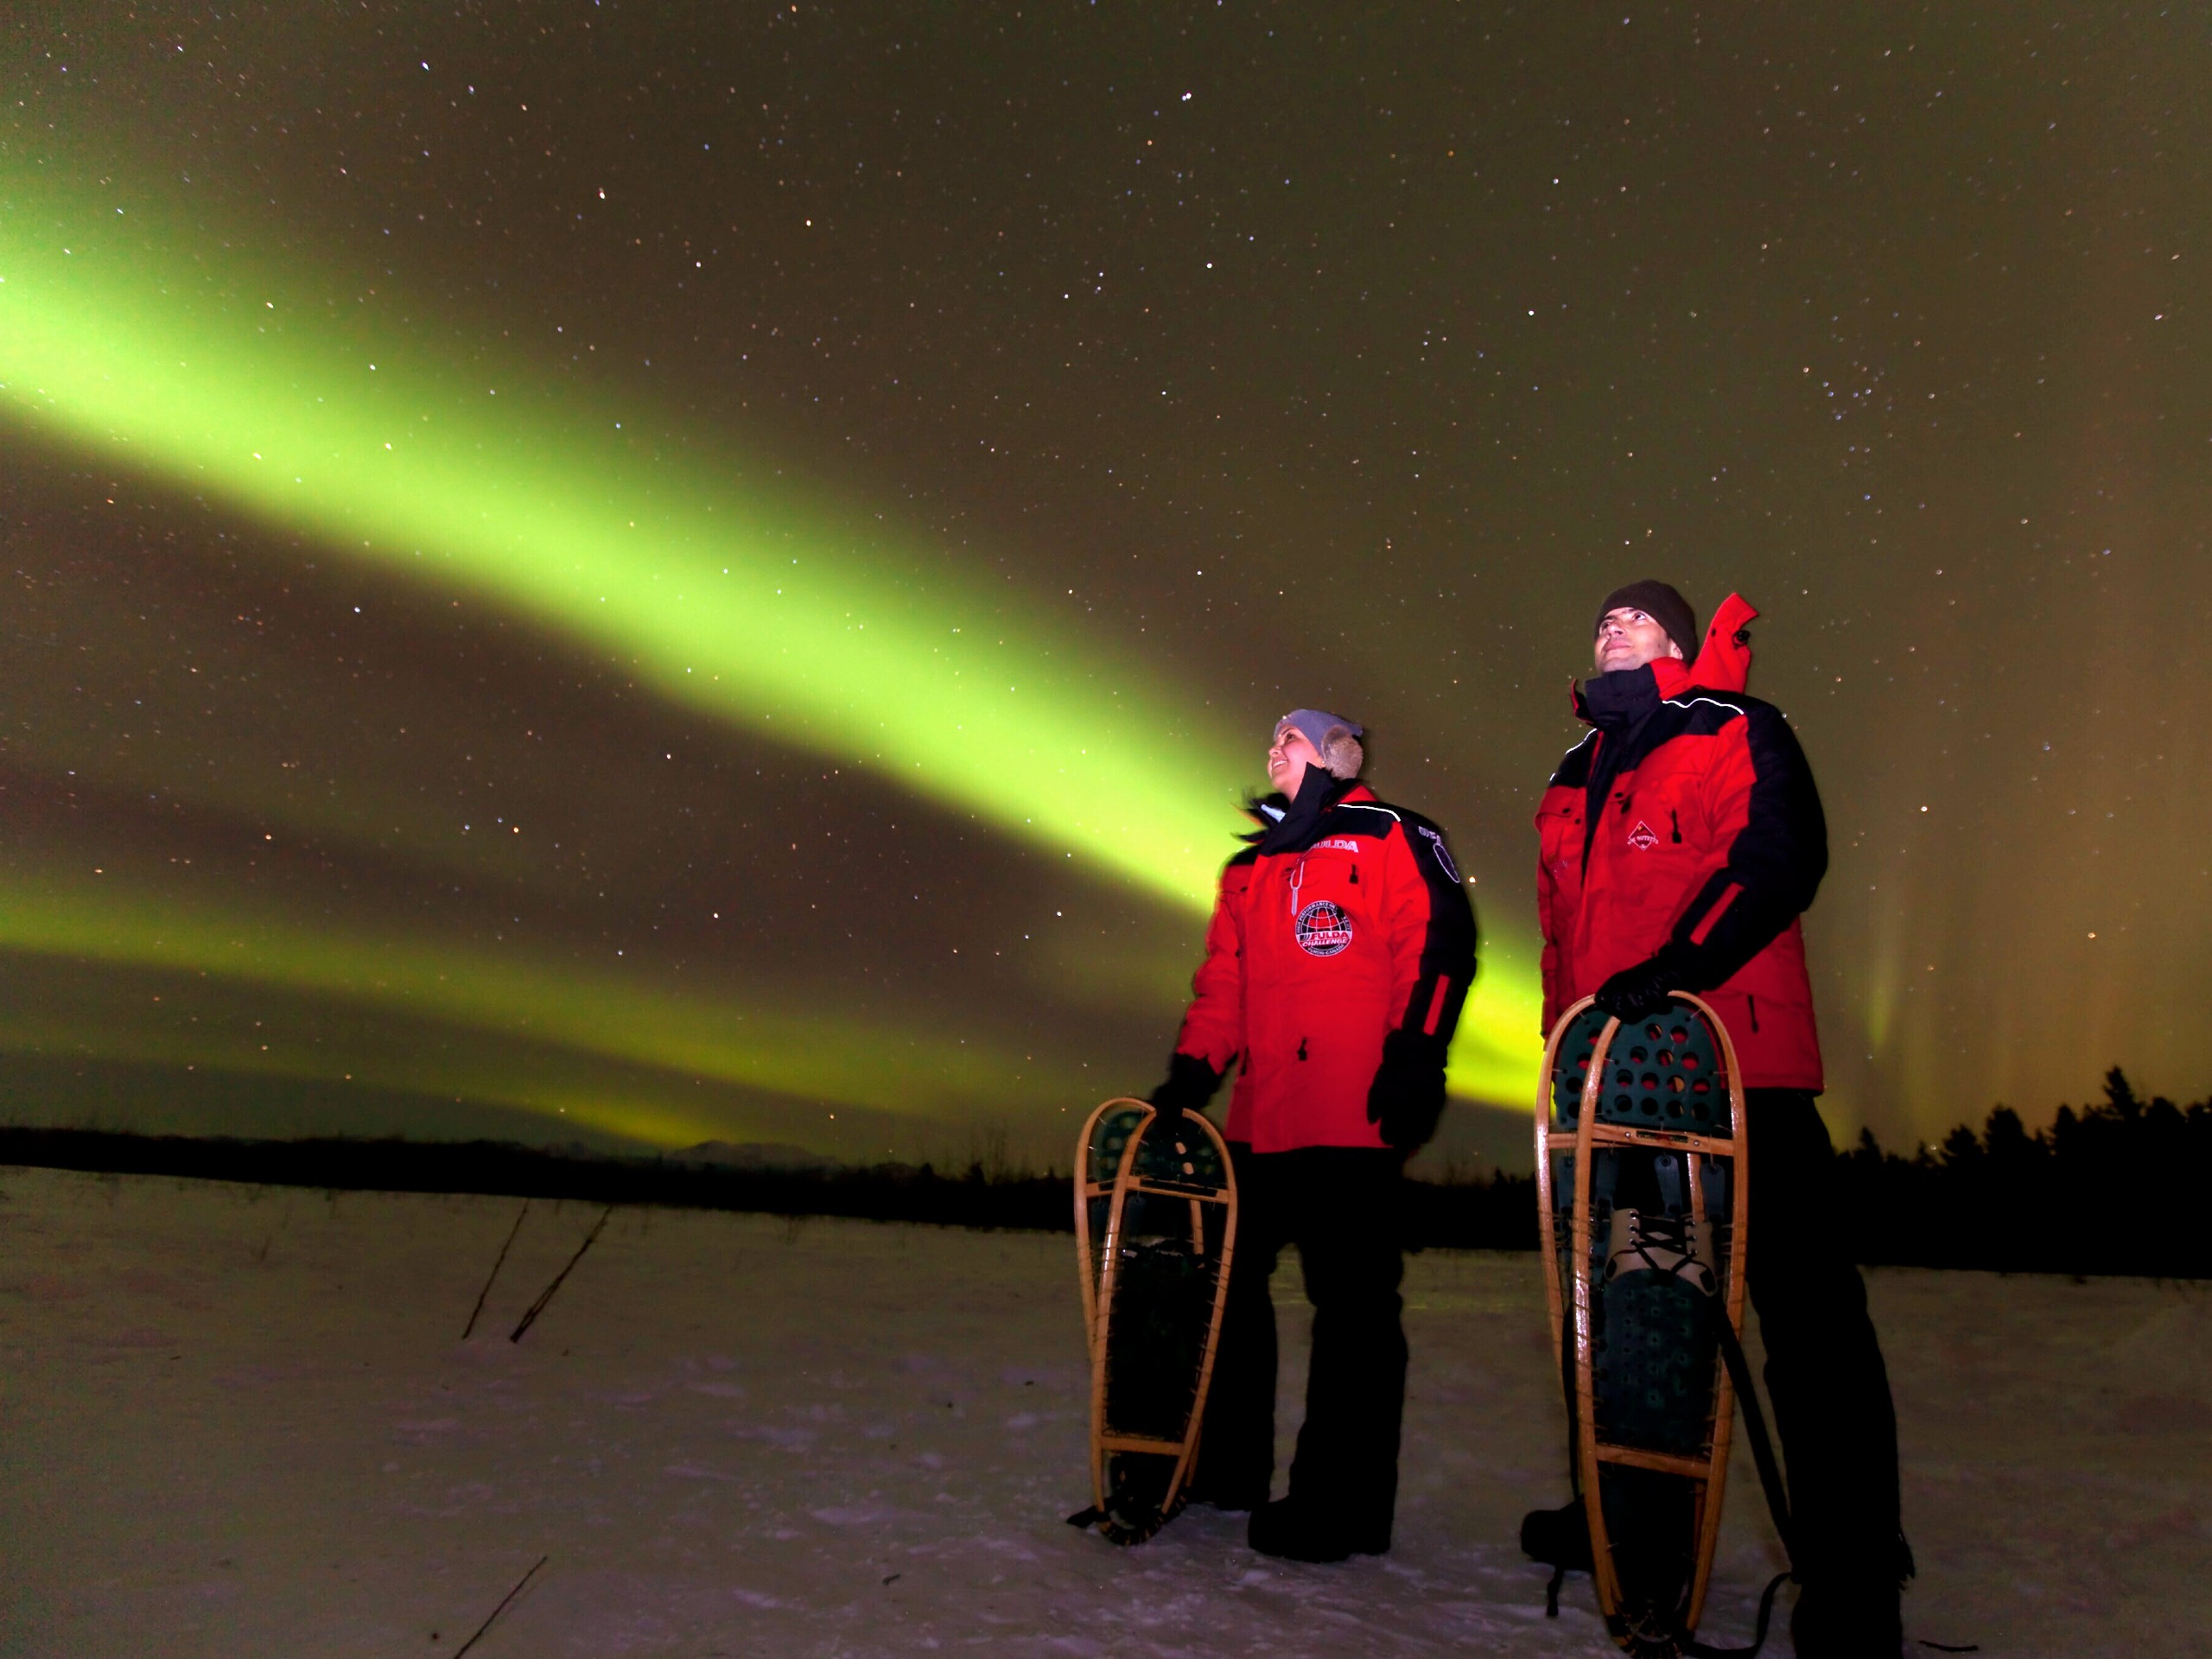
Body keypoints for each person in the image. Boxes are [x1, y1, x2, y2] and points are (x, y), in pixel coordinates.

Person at [1525, 581, 1910, 1656]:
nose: (1611, 625)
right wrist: (1568, 1058)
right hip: (1620, 1086)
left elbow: (1782, 859)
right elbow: (1561, 938)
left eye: (1637, 618)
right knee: (1633, 1313)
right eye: (1600, 616)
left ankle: (1854, 1576)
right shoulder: (1573, 772)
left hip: (1737, 1064)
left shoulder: (1737, 725)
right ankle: (1626, 1520)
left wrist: (1681, 969)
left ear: (1684, 644)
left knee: (1809, 1325)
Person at [1143, 709, 1477, 1562]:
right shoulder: (1247, 869)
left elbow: (1438, 945)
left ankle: (1342, 1505)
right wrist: (1191, 1072)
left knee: (1355, 1308)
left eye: (1289, 738)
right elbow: (1225, 984)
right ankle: (1227, 1467)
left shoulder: (1391, 834)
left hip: (1352, 1111)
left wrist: (1415, 1059)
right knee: (1226, 1286)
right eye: (1269, 739)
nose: (1271, 748)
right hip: (1263, 1117)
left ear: (1335, 755)